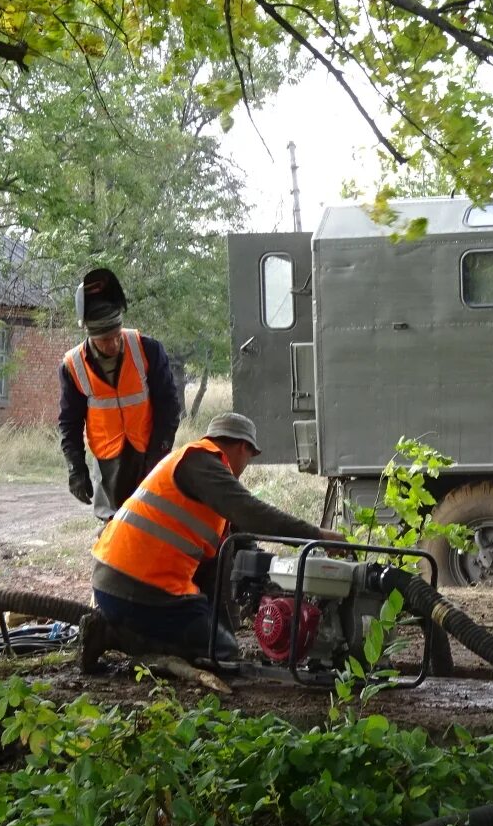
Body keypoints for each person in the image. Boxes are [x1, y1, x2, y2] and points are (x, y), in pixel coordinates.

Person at [91, 412, 346, 669]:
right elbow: (252, 513)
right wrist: (317, 536)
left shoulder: (193, 468)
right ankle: (114, 636)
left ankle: (125, 629)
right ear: (243, 447)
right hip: (139, 590)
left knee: (219, 641)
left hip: (119, 582)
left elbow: (229, 551)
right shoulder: (202, 463)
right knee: (221, 652)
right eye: (249, 457)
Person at [59, 267, 182, 520]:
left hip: (148, 450)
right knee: (112, 527)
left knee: (153, 520)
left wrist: (158, 454)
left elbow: (169, 407)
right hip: (107, 462)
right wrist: (76, 468)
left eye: (116, 336)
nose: (113, 344)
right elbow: (69, 424)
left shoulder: (147, 350)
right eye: (104, 340)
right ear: (90, 335)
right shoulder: (73, 366)